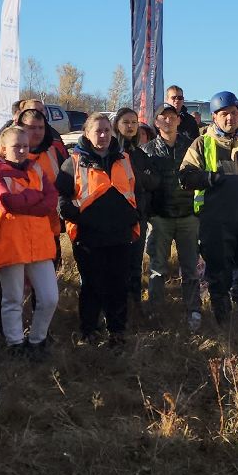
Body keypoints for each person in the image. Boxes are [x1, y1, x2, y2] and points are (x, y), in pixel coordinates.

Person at [179, 91, 238, 325]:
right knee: (219, 276)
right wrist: (209, 178)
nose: (230, 118)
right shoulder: (202, 143)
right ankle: (225, 328)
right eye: (224, 114)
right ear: (214, 117)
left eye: (233, 113)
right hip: (216, 223)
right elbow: (185, 176)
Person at [59, 113, 144, 344]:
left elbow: (137, 191)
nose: (104, 135)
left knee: (119, 285)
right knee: (92, 286)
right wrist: (80, 217)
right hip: (89, 238)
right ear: (87, 134)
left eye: (107, 130)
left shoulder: (124, 158)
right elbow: (62, 200)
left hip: (120, 235)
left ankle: (117, 331)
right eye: (98, 131)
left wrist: (134, 215)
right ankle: (89, 331)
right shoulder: (73, 162)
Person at [0, 125, 59, 358]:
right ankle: (15, 344)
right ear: (4, 148)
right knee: (13, 298)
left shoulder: (36, 168)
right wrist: (36, 199)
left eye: (25, 146)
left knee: (49, 298)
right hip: (10, 242)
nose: (22, 150)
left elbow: (51, 200)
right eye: (16, 146)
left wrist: (29, 201)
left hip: (39, 242)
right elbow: (8, 202)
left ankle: (37, 340)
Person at [142, 103, 202, 330]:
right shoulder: (147, 150)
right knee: (158, 267)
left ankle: (194, 310)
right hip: (160, 218)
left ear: (178, 120)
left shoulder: (191, 147)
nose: (168, 121)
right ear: (156, 122)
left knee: (190, 267)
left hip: (188, 216)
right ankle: (155, 310)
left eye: (172, 117)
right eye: (163, 117)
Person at [114, 107, 155, 304]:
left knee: (135, 265)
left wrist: (142, 179)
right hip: (116, 219)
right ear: (117, 125)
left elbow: (152, 181)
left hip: (139, 215)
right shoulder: (111, 153)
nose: (130, 126)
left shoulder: (140, 154)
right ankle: (118, 308)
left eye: (133, 122)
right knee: (117, 266)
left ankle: (135, 307)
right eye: (125, 122)